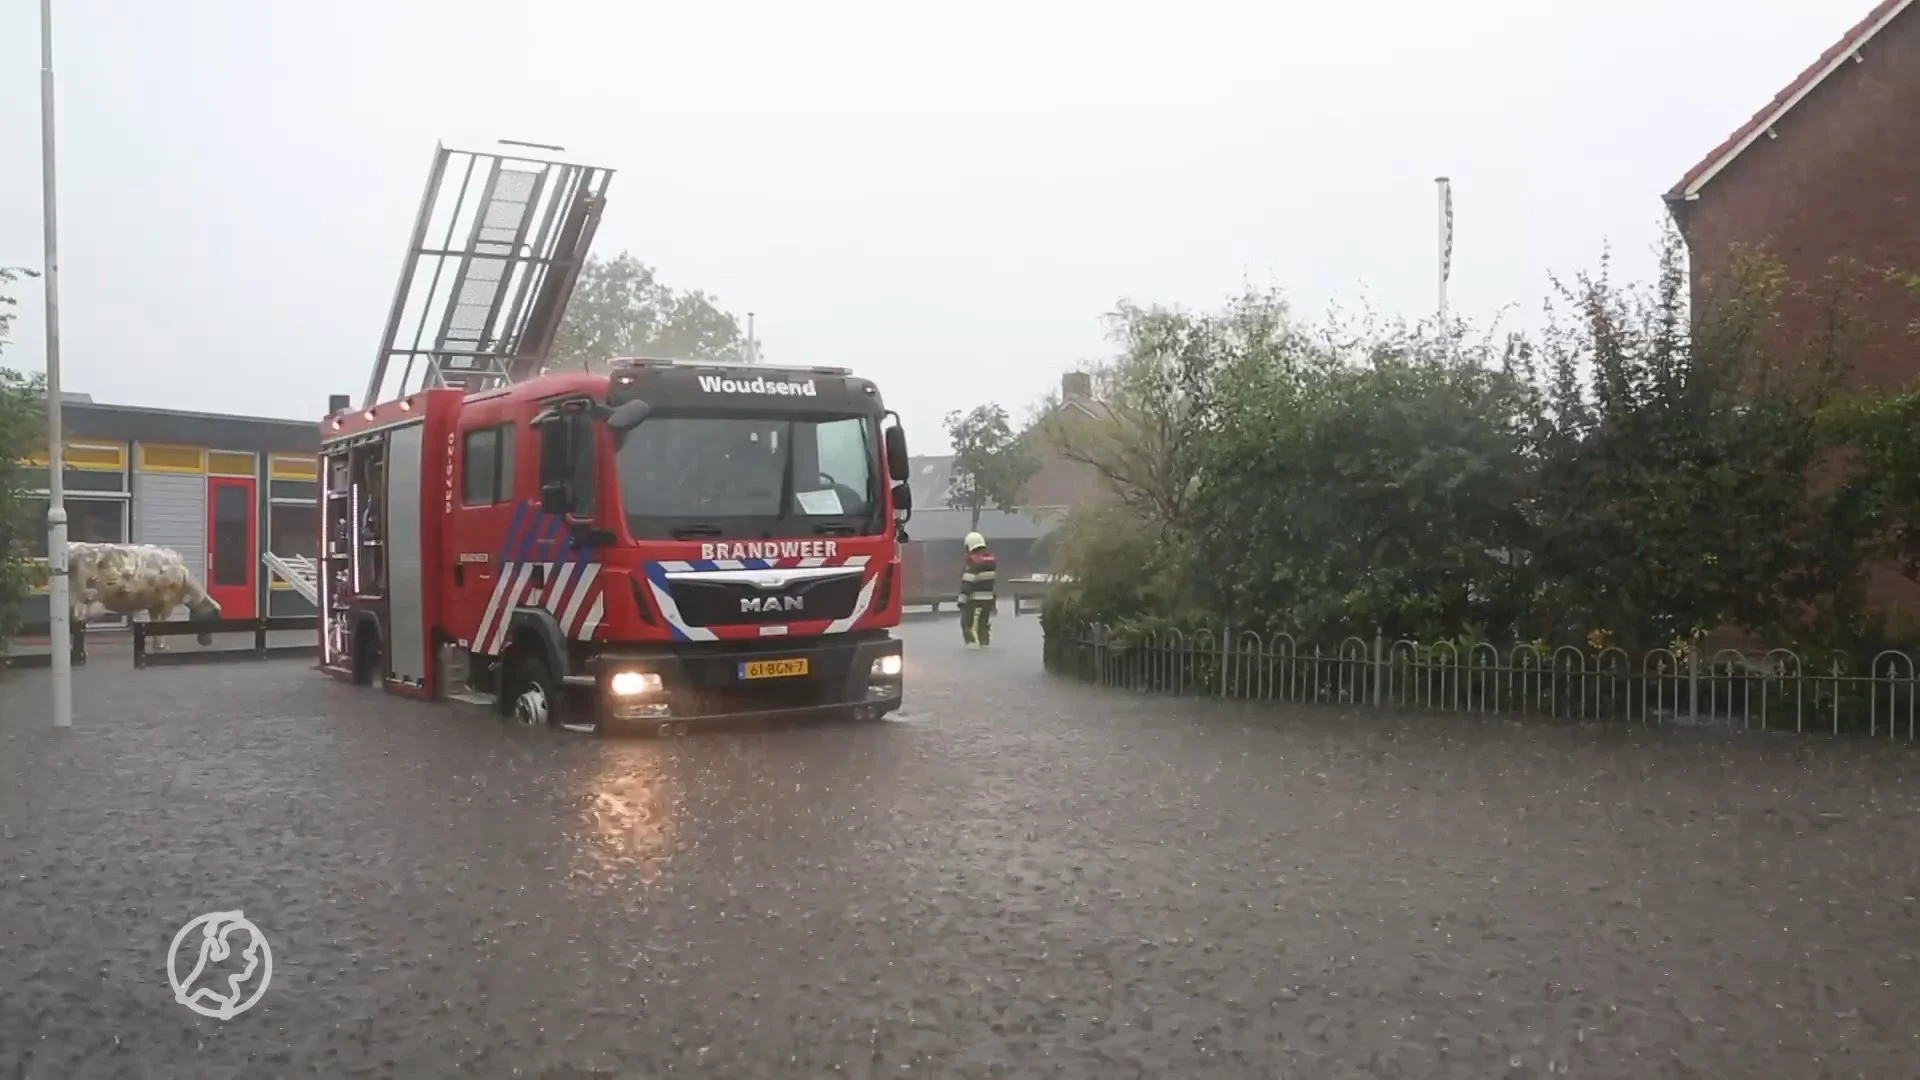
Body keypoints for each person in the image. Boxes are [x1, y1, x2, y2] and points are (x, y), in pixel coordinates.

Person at [958, 531, 997, 647]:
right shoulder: (991, 560)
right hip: (988, 600)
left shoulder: (972, 561)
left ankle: (973, 648)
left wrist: (961, 600)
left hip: (974, 601)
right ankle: (985, 645)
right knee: (983, 625)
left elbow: (968, 581)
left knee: (968, 625)